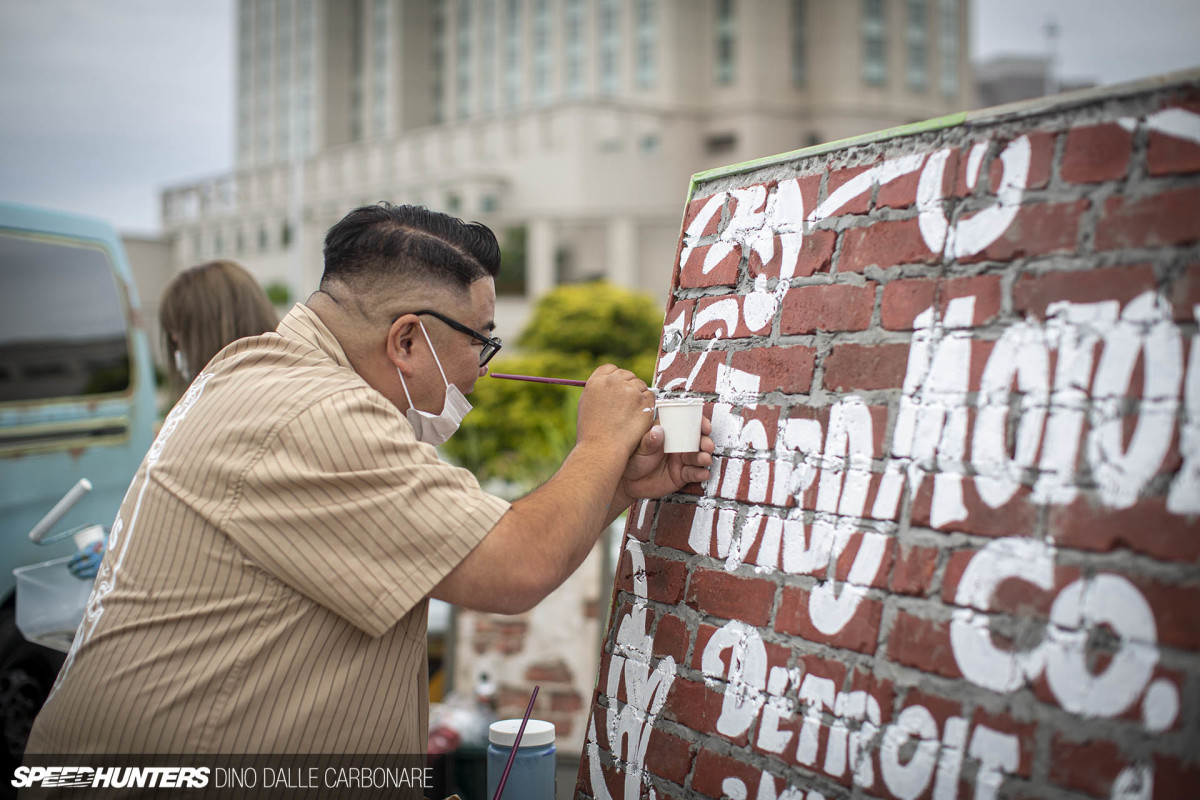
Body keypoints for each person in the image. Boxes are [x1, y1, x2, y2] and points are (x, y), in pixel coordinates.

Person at [27, 203, 713, 763]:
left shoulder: (261, 372)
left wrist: (616, 483)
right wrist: (599, 443)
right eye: (482, 340)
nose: (483, 368)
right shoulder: (314, 413)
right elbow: (516, 565)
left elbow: (493, 542)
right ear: (407, 341)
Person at [66, 260, 278, 579]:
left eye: (179, 334)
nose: (175, 346)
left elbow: (207, 527)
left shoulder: (241, 413)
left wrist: (129, 551)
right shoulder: (210, 404)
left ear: (207, 331)